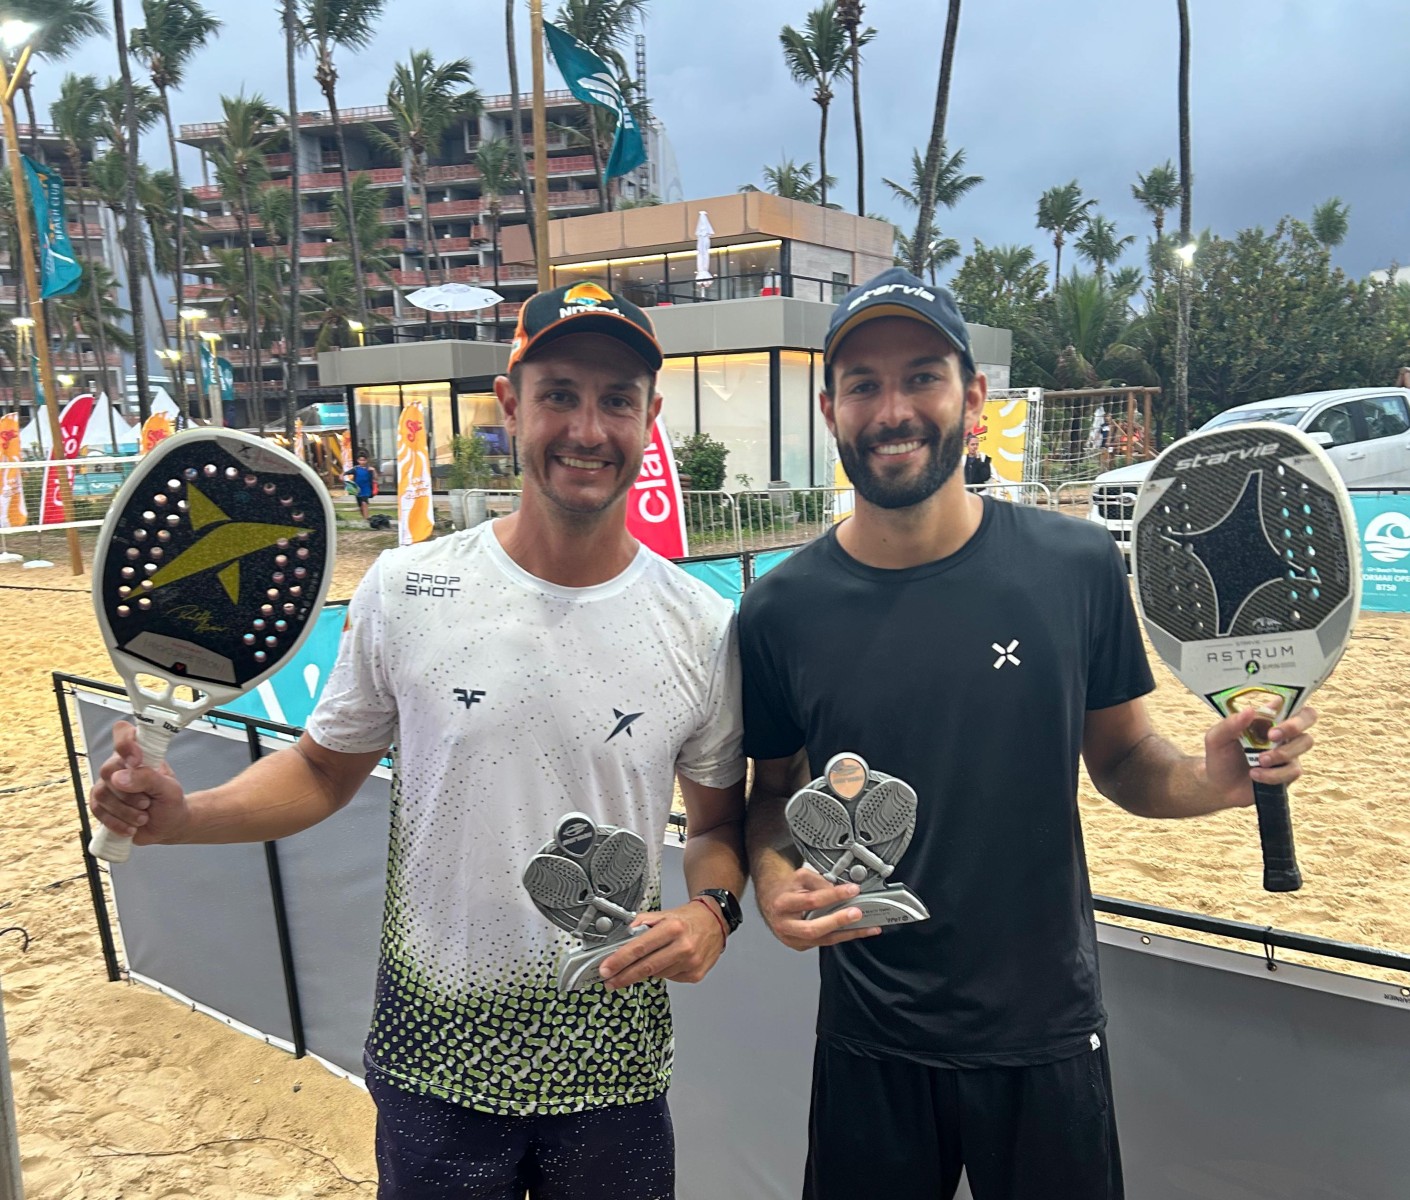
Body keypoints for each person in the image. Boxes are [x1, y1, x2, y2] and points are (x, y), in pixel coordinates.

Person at [90, 283, 749, 1199]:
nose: (587, 428)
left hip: (614, 1069)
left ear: (651, 418)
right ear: (510, 404)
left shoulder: (700, 627)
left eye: (616, 400)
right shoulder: (407, 590)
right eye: (559, 393)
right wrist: (182, 816)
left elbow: (719, 827)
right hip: (432, 1061)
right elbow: (323, 771)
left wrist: (712, 914)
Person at [738, 266, 1318, 1200]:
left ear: (971, 397)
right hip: (869, 1041)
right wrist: (771, 882)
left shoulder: (1076, 565)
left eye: (922, 375)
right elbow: (770, 798)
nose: (893, 409)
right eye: (863, 384)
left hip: (1045, 1038)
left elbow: (1125, 758)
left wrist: (1214, 781)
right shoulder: (776, 612)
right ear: (829, 409)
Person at [344, 452, 376, 521]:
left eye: (364, 460)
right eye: (360, 460)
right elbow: (346, 473)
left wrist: (374, 471)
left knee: (364, 503)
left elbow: (376, 478)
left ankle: (367, 519)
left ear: (366, 460)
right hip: (358, 490)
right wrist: (342, 475)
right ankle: (364, 518)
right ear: (358, 461)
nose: (362, 462)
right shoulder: (355, 469)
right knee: (360, 506)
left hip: (366, 489)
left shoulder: (369, 469)